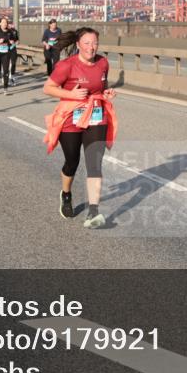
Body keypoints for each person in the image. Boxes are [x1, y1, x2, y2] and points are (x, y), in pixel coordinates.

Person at [43, 27, 117, 228]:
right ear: (78, 44)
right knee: (72, 162)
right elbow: (48, 88)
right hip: (71, 119)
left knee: (94, 164)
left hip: (95, 116)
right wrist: (71, 95)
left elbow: (101, 86)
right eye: (87, 43)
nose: (91, 47)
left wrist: (106, 93)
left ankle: (93, 212)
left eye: (94, 43)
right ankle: (66, 194)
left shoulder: (103, 63)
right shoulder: (67, 65)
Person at [0, 17, 17, 95]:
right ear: (0, 23)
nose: (5, 24)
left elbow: (13, 40)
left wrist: (12, 42)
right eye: (3, 22)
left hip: (6, 53)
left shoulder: (10, 32)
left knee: (6, 71)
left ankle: (5, 88)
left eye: (6, 22)